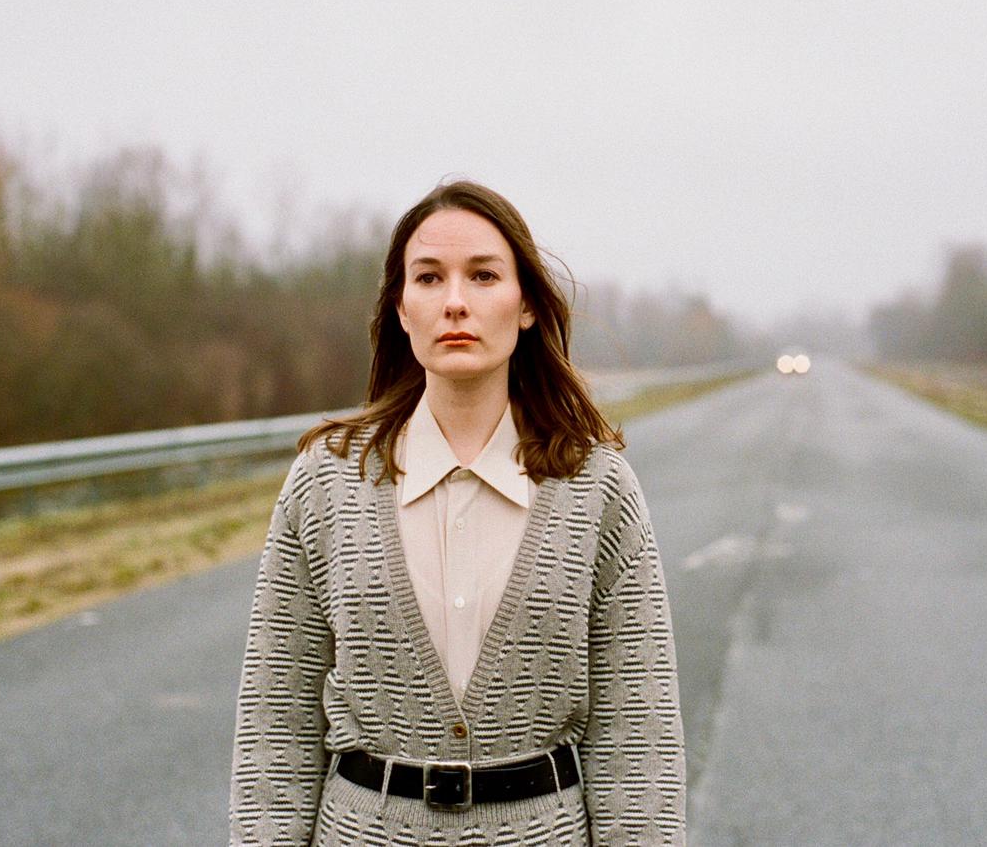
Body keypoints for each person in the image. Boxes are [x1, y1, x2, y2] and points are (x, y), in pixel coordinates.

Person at [228, 178, 687, 846]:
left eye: (482, 275)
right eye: (429, 278)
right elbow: (276, 721)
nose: (455, 303)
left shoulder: (596, 487)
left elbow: (637, 735)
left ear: (526, 303)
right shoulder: (326, 482)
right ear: (399, 307)